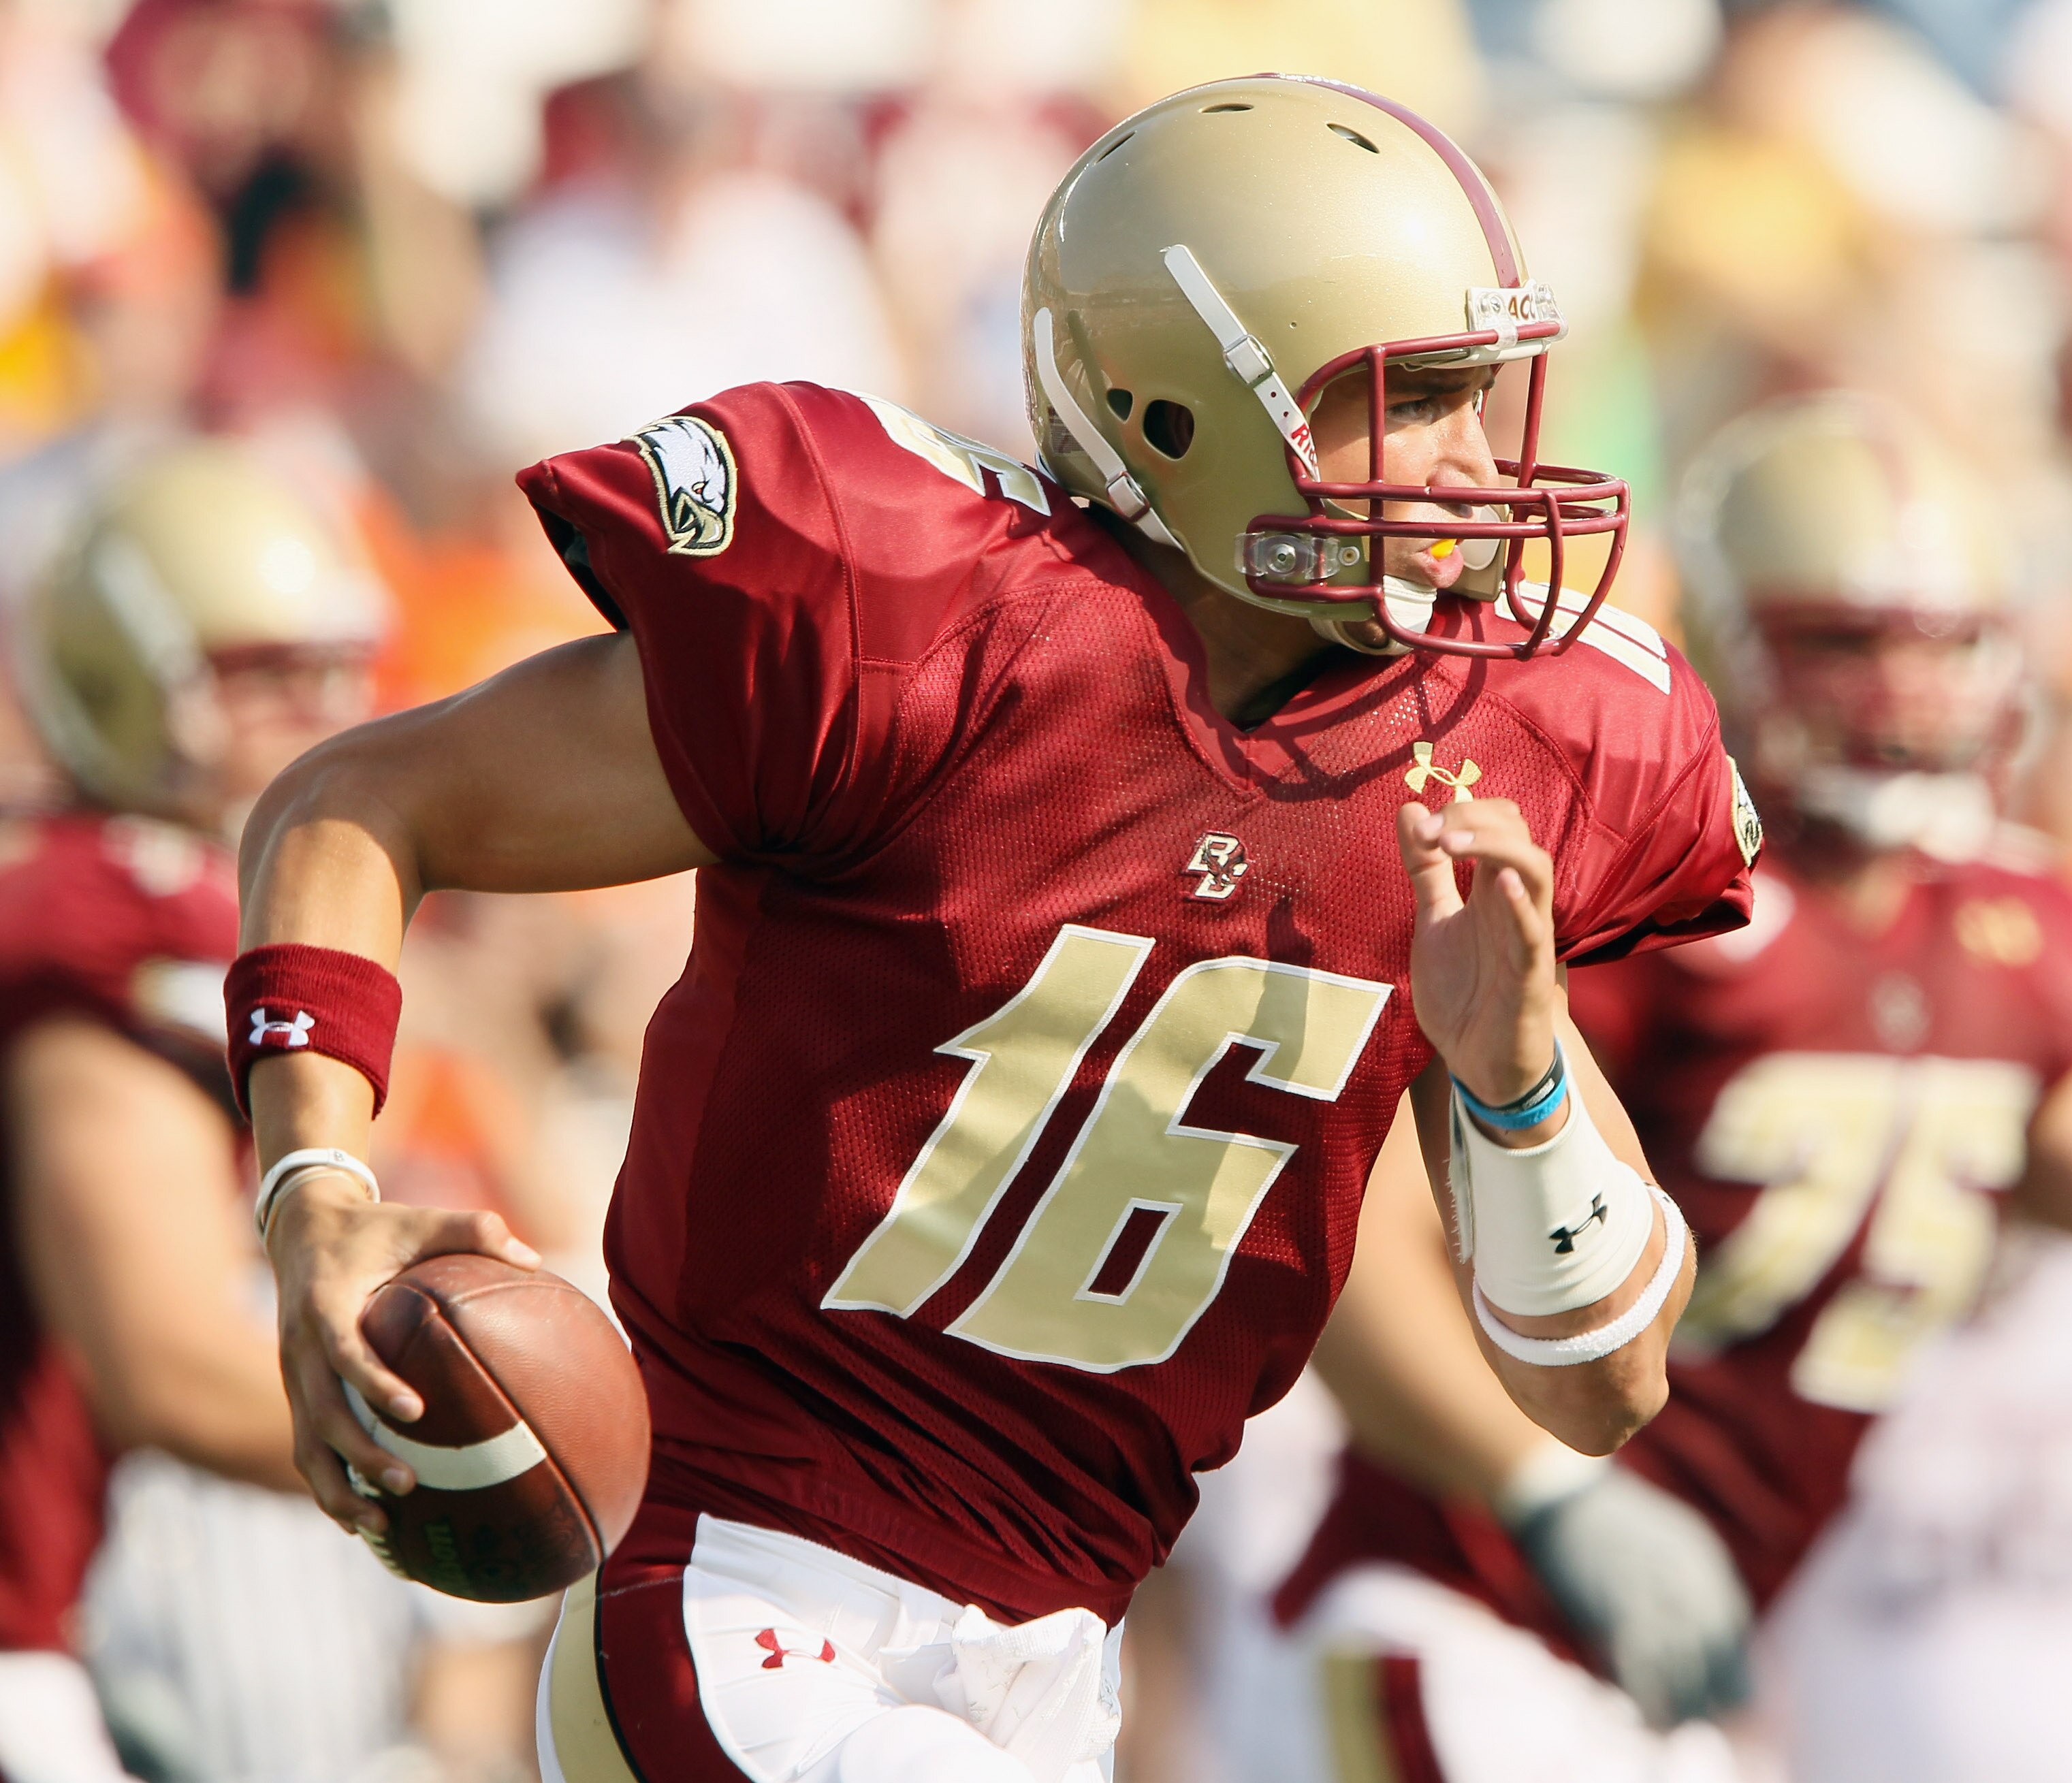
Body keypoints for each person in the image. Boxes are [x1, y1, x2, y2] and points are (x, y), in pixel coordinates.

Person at [236, 75, 1760, 1783]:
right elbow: (357, 804)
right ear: (1179, 410)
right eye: (1408, 401)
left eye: (1481, 393)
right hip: (742, 1584)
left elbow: (1600, 1383)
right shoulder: (923, 622)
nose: (1478, 464)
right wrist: (316, 1194)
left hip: (1058, 1656)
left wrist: (1517, 1082)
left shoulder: (1501, 748)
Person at [1262, 391, 2072, 1780]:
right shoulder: (1649, 891)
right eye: (1846, 642)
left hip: (1669, 1684)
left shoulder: (2010, 946)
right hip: (1467, 1613)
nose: (1905, 690)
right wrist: (1546, 1492)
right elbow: (1351, 1241)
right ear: (1731, 642)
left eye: (1944, 645)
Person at [0, 439, 380, 1780]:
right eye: (264, 675)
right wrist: (478, 1444)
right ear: (128, 677)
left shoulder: (76, 881)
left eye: (334, 670)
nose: (315, 713)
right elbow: (163, 1359)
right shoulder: (114, 918)